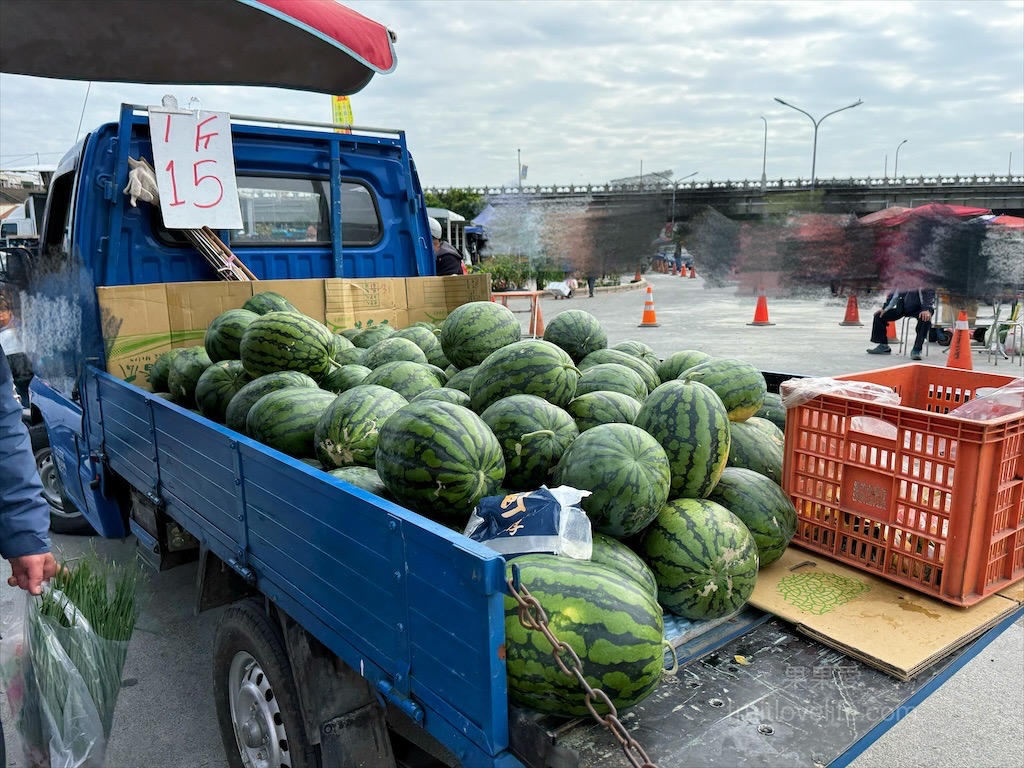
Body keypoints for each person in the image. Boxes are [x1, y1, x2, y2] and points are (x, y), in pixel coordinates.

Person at [866, 288, 935, 361]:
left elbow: (928, 296)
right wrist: (885, 309)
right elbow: (894, 296)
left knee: (925, 319)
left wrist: (927, 310)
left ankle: (917, 349)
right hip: (903, 308)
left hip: (921, 309)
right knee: (879, 315)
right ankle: (883, 346)